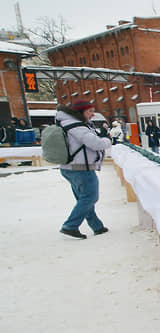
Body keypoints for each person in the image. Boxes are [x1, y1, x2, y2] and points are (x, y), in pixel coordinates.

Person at [55, 100, 113, 239]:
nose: (93, 114)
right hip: (80, 168)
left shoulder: (68, 123)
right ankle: (70, 226)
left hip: (70, 167)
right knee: (90, 197)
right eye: (90, 111)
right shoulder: (77, 126)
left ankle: (97, 226)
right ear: (80, 112)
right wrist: (107, 140)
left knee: (84, 199)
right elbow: (96, 143)